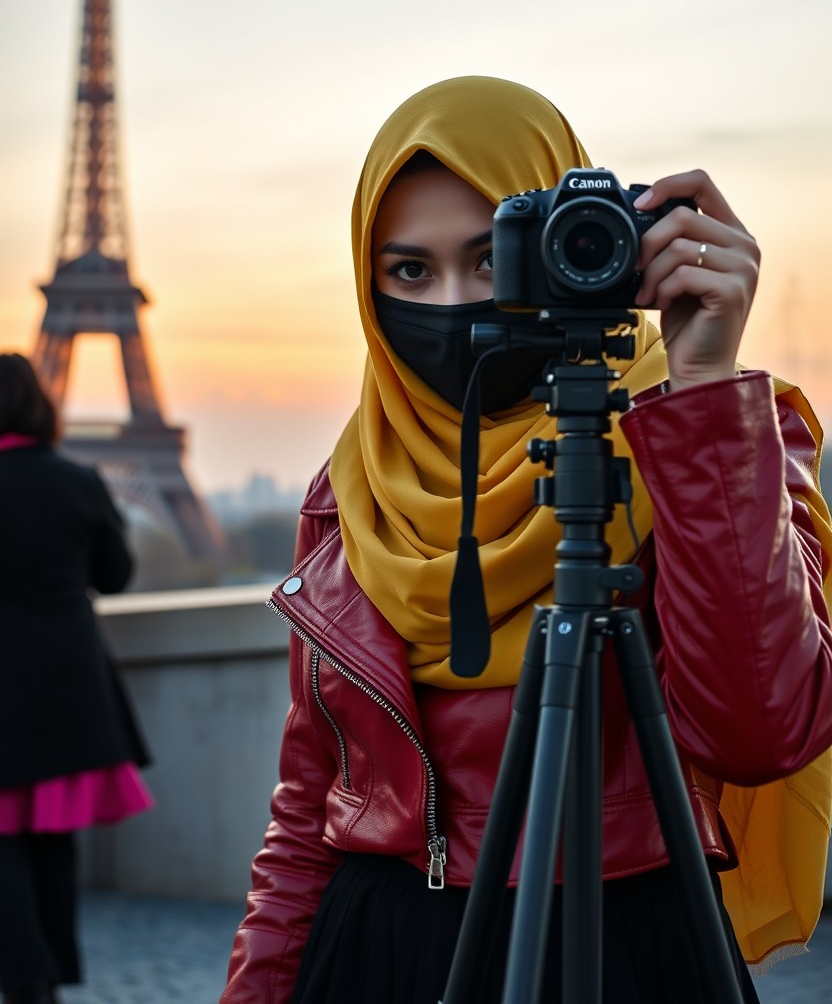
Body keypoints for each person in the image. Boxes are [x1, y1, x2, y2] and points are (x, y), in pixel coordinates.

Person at [220, 76, 832, 1004]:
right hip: (380, 951)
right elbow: (310, 812)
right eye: (410, 272)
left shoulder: (710, 433)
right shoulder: (349, 491)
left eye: (492, 259)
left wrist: (705, 393)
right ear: (366, 281)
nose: (460, 302)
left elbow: (761, 731)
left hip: (627, 948)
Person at [0, 353, 154, 1004]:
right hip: (65, 680)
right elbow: (114, 577)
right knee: (53, 840)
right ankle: (49, 979)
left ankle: (23, 975)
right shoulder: (78, 480)